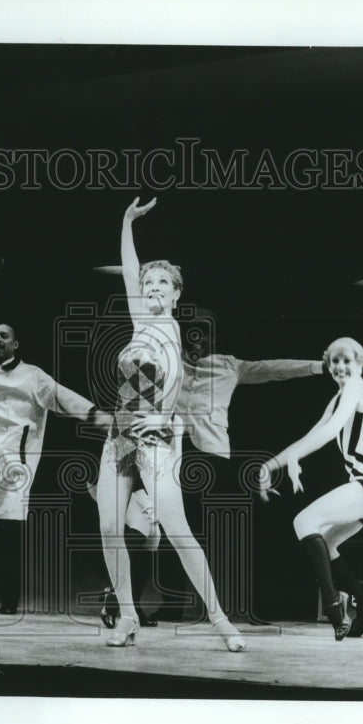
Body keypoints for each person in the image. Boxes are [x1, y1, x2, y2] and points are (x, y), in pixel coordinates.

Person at [98, 309, 325, 626]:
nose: (197, 340)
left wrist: (318, 366)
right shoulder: (168, 363)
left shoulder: (229, 365)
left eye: (203, 334)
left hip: (214, 459)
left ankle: (253, 606)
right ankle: (147, 606)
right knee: (162, 529)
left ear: (212, 338)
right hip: (174, 457)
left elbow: (272, 369)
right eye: (191, 333)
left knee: (239, 528)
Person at [94, 197, 246, 651]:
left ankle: (220, 620)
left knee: (178, 530)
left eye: (162, 282)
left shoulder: (169, 330)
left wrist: (162, 419)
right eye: (148, 283)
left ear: (176, 293)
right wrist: (126, 221)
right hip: (120, 435)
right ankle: (127, 616)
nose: (152, 287)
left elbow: (173, 384)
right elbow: (128, 269)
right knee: (108, 529)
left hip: (155, 437)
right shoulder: (140, 323)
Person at [0, 323, 111, 615]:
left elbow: (66, 399)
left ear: (16, 344)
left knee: (9, 535)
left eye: (4, 336)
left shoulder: (33, 377)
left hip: (12, 465)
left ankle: (9, 600)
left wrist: (99, 418)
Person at [259, 337, 363, 640]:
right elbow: (314, 433)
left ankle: (334, 607)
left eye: (347, 360)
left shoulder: (356, 388)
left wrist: (294, 458)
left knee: (304, 522)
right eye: (334, 361)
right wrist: (270, 466)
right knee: (329, 541)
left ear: (360, 361)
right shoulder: (339, 397)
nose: (340, 366)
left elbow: (333, 429)